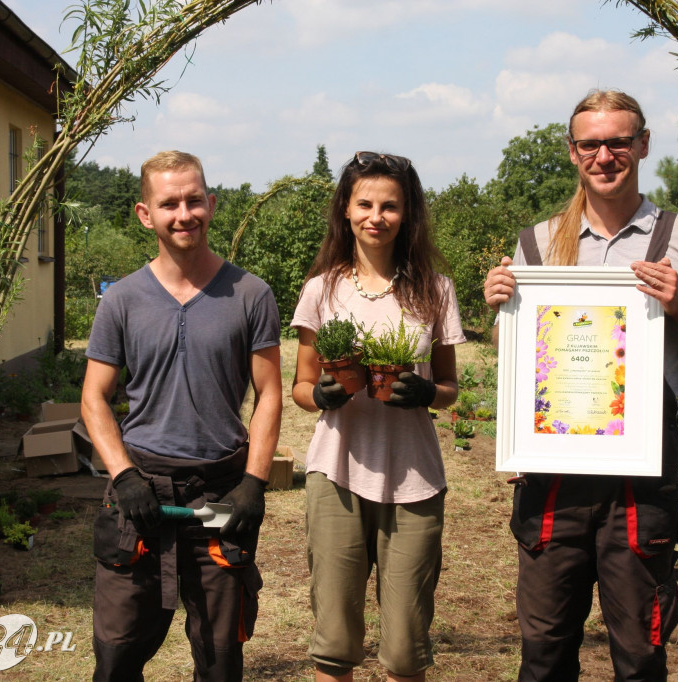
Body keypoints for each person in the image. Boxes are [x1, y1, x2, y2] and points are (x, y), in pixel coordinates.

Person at [483, 90, 678, 681]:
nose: (604, 155)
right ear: (573, 151)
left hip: (641, 479)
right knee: (545, 653)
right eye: (590, 144)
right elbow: (523, 362)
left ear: (643, 145)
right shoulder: (536, 243)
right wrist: (502, 313)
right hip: (553, 479)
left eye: (618, 142)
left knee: (638, 652)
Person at [81, 150, 283, 681]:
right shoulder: (121, 300)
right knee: (117, 657)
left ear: (211, 205)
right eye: (169, 203)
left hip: (219, 495)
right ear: (145, 214)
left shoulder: (251, 294)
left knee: (219, 660)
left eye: (194, 200)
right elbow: (94, 398)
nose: (184, 213)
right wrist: (123, 476)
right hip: (140, 496)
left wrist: (254, 484)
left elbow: (269, 394)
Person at [290, 151, 466, 681]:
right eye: (364, 203)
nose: (376, 216)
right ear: (345, 208)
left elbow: (450, 387)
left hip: (413, 477)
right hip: (336, 473)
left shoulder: (435, 289)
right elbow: (300, 384)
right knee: (336, 642)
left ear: (407, 213)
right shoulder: (321, 289)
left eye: (390, 206)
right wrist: (318, 397)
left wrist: (426, 392)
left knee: (406, 647)